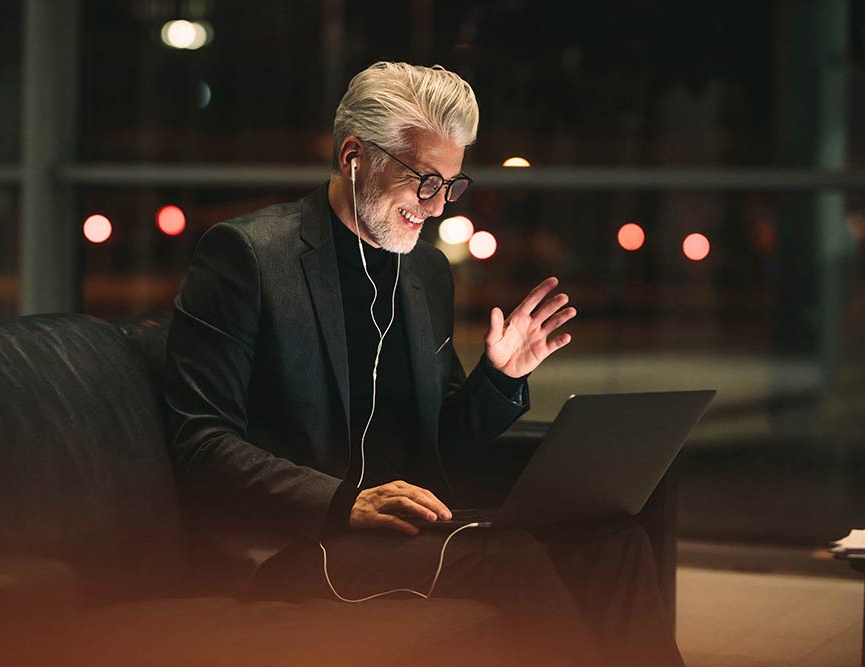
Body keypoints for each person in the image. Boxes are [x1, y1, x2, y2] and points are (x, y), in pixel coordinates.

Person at [165, 61, 682, 666]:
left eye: (451, 185)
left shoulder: (424, 272)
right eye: (424, 181)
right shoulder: (248, 257)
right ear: (355, 156)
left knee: (611, 541)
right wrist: (343, 502)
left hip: (412, 531)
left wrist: (500, 377)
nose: (436, 208)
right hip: (306, 543)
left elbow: (443, 446)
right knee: (508, 562)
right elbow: (199, 444)